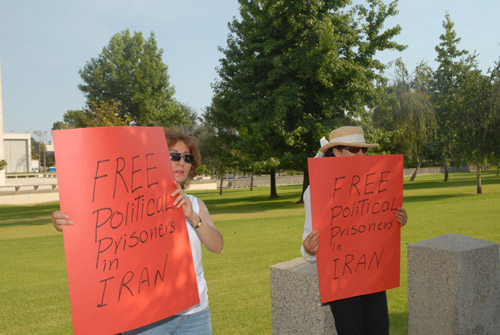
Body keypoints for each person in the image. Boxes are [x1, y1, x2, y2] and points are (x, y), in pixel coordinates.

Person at [52, 128, 223, 335]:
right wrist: (71, 222)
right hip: (148, 318)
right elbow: (101, 240)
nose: (182, 162)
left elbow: (217, 246)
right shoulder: (130, 207)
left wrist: (193, 217)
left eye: (188, 158)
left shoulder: (196, 204)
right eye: (174, 156)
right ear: (154, 158)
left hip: (196, 314)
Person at [301, 126, 407, 335]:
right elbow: (309, 239)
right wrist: (308, 249)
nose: (361, 155)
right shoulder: (316, 190)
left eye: (364, 150)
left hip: (373, 273)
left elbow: (377, 223)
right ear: (336, 151)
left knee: (380, 329)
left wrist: (397, 220)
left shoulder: (375, 181)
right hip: (341, 280)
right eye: (354, 149)